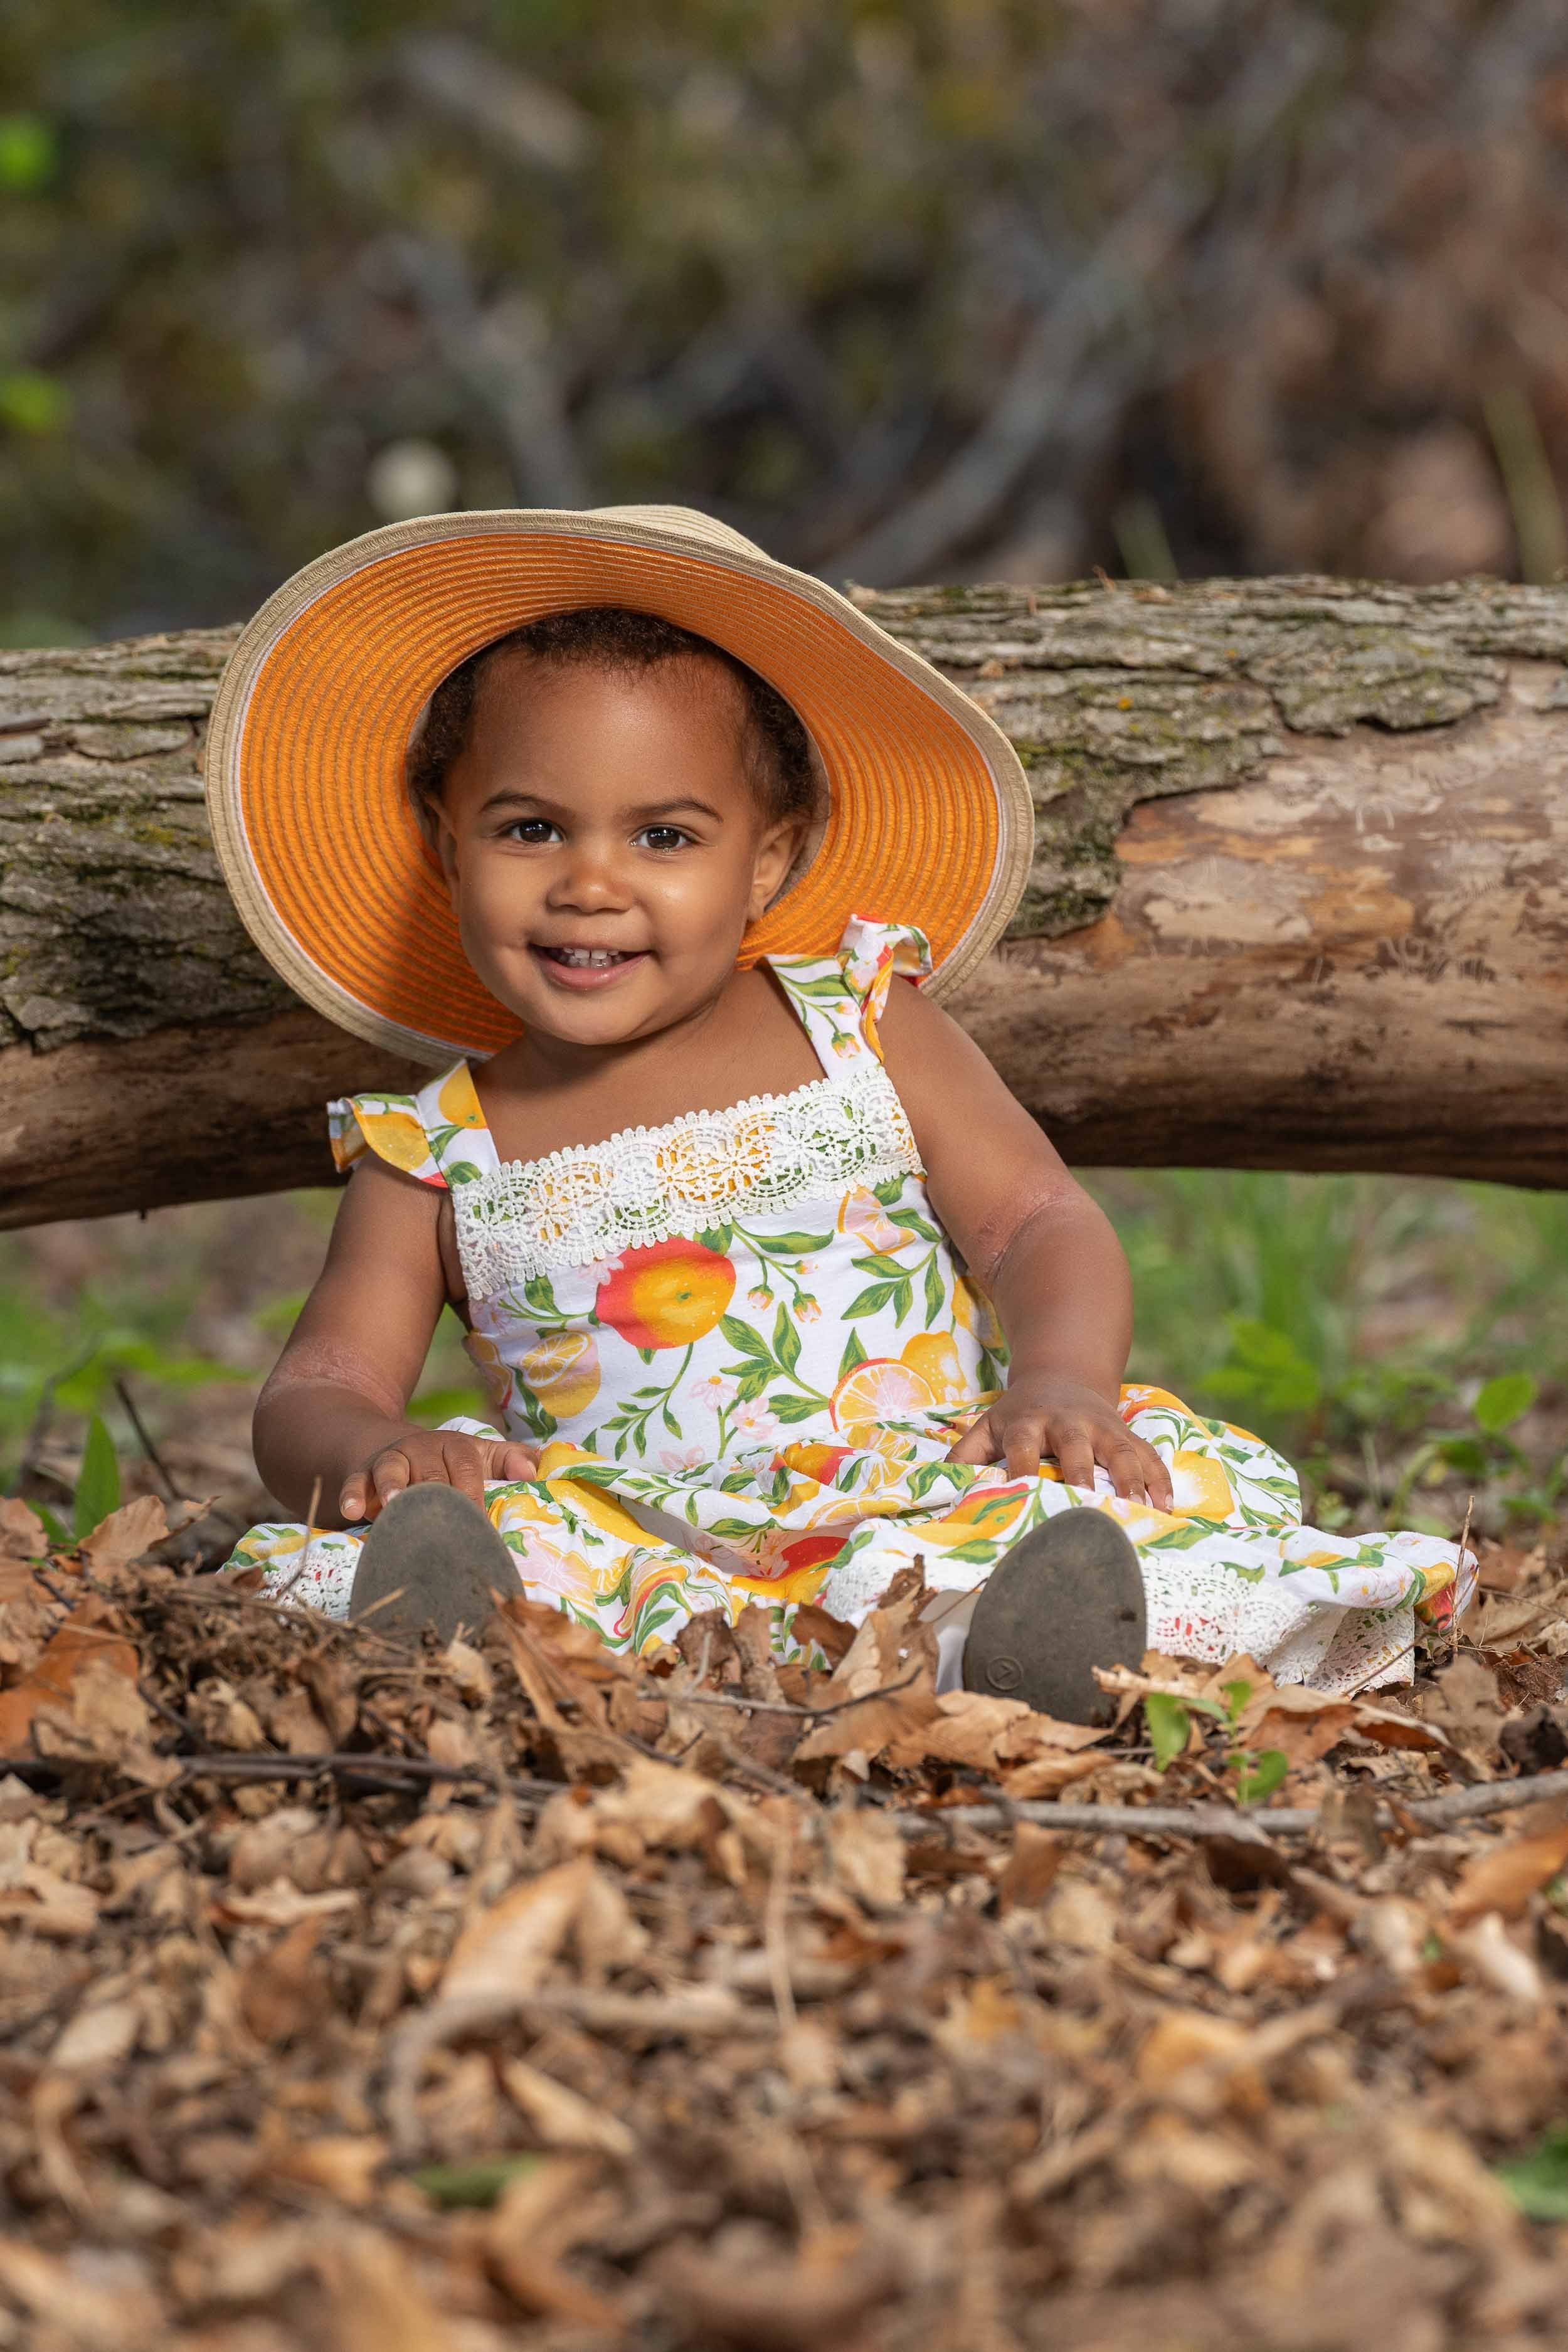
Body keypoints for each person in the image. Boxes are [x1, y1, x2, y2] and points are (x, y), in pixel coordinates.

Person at [209, 505, 1469, 1718]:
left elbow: (1035, 1223)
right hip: (639, 1529)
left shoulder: (856, 1023)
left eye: (663, 836)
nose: (590, 884)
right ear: (447, 846)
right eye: (531, 828)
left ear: (764, 860)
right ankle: (478, 1637)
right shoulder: (433, 1151)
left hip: (917, 1487)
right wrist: (371, 1449)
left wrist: (1062, 1380)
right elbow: (314, 1384)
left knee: (1057, 1522)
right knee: (452, 1549)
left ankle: (1021, 1651)